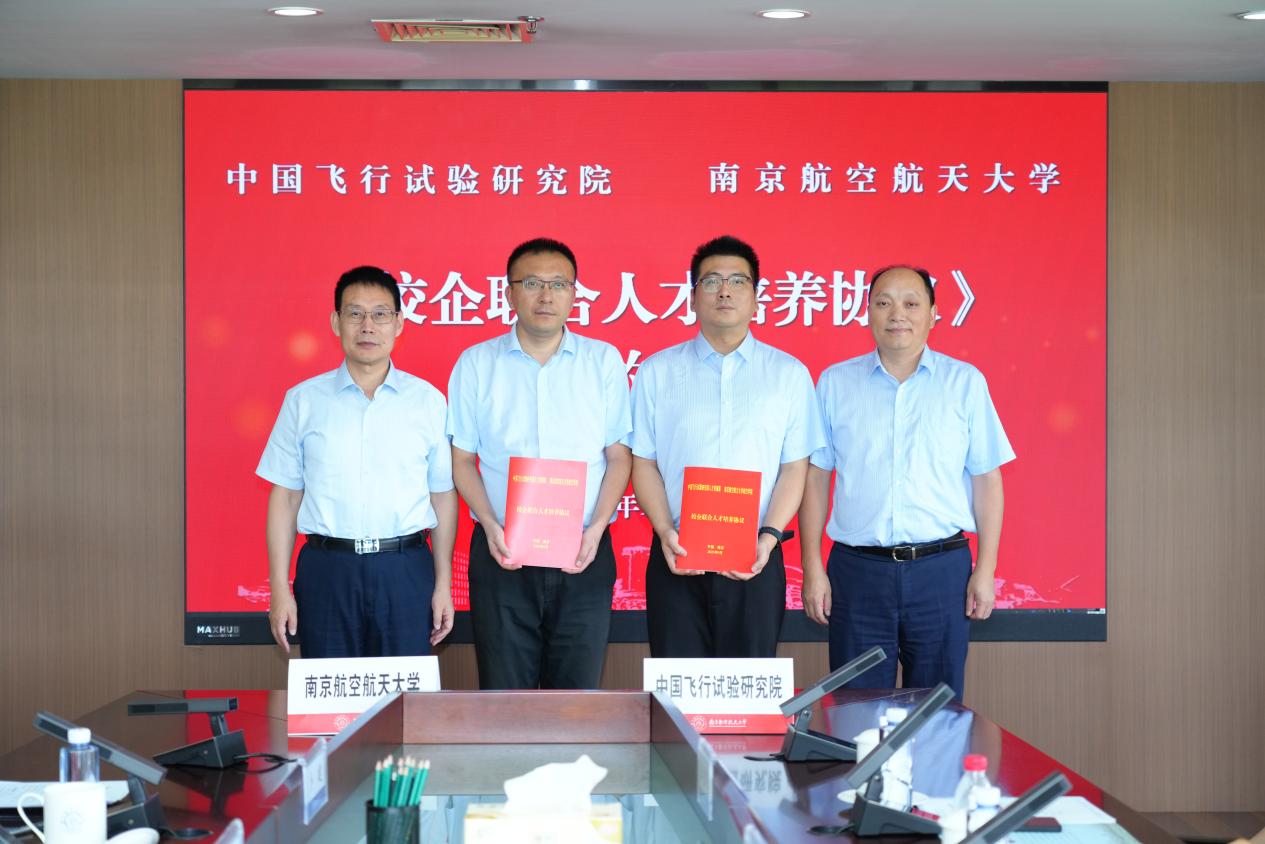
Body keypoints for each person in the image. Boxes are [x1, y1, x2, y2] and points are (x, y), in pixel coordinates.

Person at [798, 264, 1014, 700]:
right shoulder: (836, 383)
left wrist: (986, 570)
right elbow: (816, 478)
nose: (897, 314)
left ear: (933, 314)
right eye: (884, 303)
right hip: (858, 573)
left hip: (941, 571)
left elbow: (987, 480)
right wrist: (812, 568)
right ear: (868, 313)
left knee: (938, 714)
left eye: (911, 303)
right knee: (856, 713)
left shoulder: (964, 383)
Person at [448, 237, 632, 690]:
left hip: (583, 552)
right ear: (509, 293)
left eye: (558, 284)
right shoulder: (476, 363)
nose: (546, 295)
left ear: (574, 293)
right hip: (502, 553)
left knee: (576, 698)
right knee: (505, 695)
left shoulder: (603, 361)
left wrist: (596, 529)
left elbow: (618, 457)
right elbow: (462, 460)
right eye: (532, 283)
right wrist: (489, 523)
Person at [630, 235, 825, 658]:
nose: (724, 291)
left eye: (738, 281)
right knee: (678, 688)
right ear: (692, 297)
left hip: (757, 556)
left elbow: (795, 467)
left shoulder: (788, 374)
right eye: (711, 281)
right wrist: (664, 531)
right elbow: (642, 462)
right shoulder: (657, 371)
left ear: (756, 299)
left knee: (749, 686)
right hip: (677, 555)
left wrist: (769, 538)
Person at [258, 265, 457, 657]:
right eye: (355, 313)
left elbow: (442, 496)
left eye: (380, 314)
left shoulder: (428, 401)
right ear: (336, 322)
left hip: (405, 570)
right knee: (330, 693)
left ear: (399, 323)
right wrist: (279, 588)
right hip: (327, 571)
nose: (368, 326)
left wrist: (443, 584)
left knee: (405, 694)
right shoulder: (303, 401)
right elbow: (285, 497)